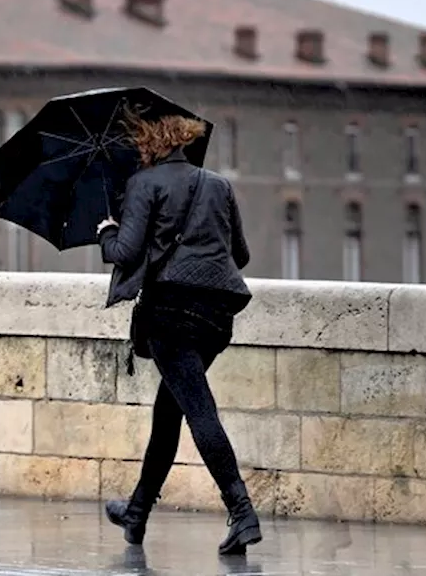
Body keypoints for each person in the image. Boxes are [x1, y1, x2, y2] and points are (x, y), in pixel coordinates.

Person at [95, 110, 260, 557]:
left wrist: (107, 232)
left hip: (169, 315)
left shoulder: (144, 185)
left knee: (199, 411)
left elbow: (126, 252)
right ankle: (137, 512)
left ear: (150, 142)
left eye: (139, 142)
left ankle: (241, 510)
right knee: (169, 413)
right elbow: (238, 255)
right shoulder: (218, 185)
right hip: (215, 317)